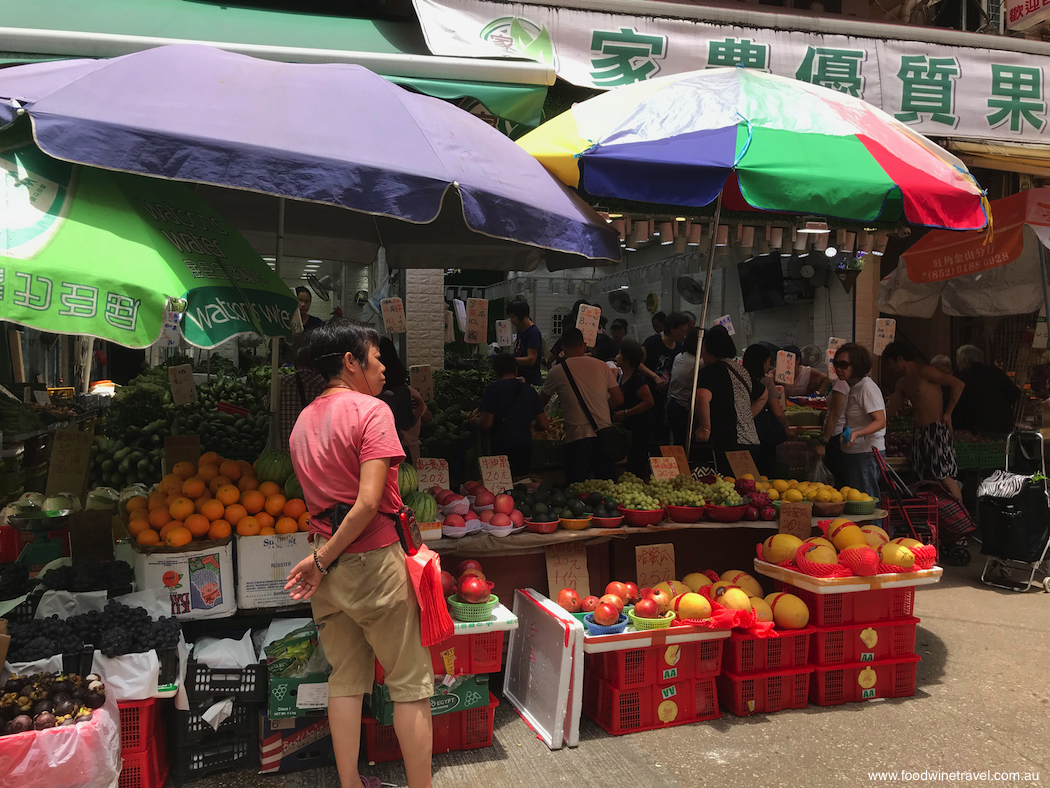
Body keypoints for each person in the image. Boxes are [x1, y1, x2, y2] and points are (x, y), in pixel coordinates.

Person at [284, 319, 434, 788]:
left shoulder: (303, 421)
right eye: (376, 356)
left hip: (325, 566)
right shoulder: (371, 411)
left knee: (345, 678)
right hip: (371, 563)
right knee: (410, 684)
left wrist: (322, 559)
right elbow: (369, 502)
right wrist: (324, 559)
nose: (385, 367)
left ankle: (350, 783)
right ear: (350, 362)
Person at [884, 341, 965, 501]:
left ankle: (961, 516)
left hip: (936, 430)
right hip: (919, 434)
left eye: (891, 363)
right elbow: (890, 411)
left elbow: (958, 384)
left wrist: (948, 413)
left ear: (900, 358)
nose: (890, 368)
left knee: (944, 476)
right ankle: (932, 517)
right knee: (922, 479)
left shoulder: (926, 372)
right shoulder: (902, 383)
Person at [540, 328, 623, 483]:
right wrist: (602, 409)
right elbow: (618, 399)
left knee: (577, 488)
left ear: (563, 349)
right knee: (606, 487)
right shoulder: (602, 366)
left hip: (577, 439)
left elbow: (540, 403)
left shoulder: (557, 371)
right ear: (584, 346)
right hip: (603, 436)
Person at [694, 326, 767, 474]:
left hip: (728, 443)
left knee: (728, 486)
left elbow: (702, 397)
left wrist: (705, 429)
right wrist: (745, 417)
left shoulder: (710, 371)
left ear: (709, 349)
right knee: (746, 486)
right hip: (751, 441)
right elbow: (763, 394)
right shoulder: (740, 369)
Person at [479, 353, 549, 477]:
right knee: (520, 484)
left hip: (500, 446)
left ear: (495, 371)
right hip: (524, 446)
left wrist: (476, 422)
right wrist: (531, 425)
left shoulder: (493, 389)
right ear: (516, 370)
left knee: (501, 484)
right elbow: (544, 424)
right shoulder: (529, 390)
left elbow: (486, 424)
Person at [834, 343, 886, 505]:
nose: (838, 369)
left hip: (866, 453)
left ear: (856, 365)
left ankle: (874, 530)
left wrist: (857, 434)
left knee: (866, 502)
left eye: (843, 364)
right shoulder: (854, 387)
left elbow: (881, 421)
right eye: (835, 364)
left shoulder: (866, 388)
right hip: (855, 453)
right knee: (858, 503)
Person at [377, 337, 431, 466]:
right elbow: (426, 418)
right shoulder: (407, 392)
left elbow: (406, 422)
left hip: (398, 456)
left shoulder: (374, 393)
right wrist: (420, 407)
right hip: (404, 454)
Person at [953, 344, 1020, 435]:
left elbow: (959, 405)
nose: (957, 363)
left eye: (958, 360)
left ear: (965, 361)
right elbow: (1015, 393)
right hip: (1002, 425)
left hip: (975, 429)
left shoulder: (963, 378)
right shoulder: (996, 372)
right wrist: (1000, 404)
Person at [742, 344, 788, 476]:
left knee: (746, 473)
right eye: (768, 362)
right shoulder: (766, 383)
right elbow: (777, 412)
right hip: (764, 435)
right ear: (761, 363)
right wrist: (786, 426)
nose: (769, 365)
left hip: (743, 434)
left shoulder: (738, 380)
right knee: (764, 473)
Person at [613, 339, 656, 479]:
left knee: (636, 465)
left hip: (640, 429)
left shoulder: (638, 379)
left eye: (620, 354)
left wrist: (627, 413)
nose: (617, 356)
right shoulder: (622, 375)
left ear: (628, 359)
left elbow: (649, 402)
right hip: (629, 429)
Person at [278, 337, 327, 451]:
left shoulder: (282, 382)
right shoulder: (325, 385)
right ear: (316, 365)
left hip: (285, 447)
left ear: (294, 365)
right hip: (314, 447)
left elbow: (268, 405)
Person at [814, 365, 850, 487]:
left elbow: (834, 415)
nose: (838, 368)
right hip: (841, 433)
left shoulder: (841, 383)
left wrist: (823, 442)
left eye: (842, 364)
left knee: (839, 481)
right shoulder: (852, 382)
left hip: (835, 435)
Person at [666, 327, 701, 447]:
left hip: (673, 403)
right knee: (687, 445)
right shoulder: (698, 362)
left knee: (677, 442)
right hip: (685, 408)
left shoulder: (679, 356)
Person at [507, 299, 543, 385]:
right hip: (520, 378)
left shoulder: (532, 333)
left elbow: (531, 359)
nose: (511, 320)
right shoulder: (521, 331)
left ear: (522, 316)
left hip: (530, 381)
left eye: (513, 317)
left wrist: (508, 360)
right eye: (510, 317)